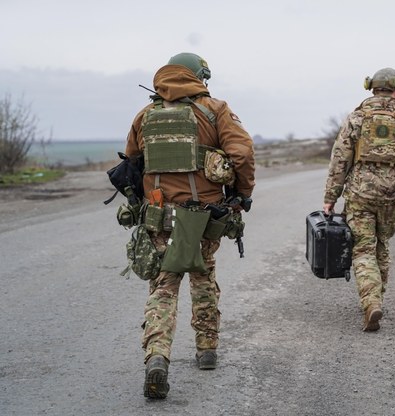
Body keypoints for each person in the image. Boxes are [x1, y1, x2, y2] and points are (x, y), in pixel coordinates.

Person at [124, 52, 255, 399]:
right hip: (204, 217)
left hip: (160, 216)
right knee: (204, 277)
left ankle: (157, 357)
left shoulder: (146, 115)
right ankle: (207, 349)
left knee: (163, 288)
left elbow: (132, 164)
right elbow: (242, 153)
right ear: (199, 77)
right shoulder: (215, 110)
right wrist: (242, 194)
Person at [323, 67, 395, 332]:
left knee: (362, 249)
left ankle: (371, 302)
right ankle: (377, 298)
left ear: (373, 88)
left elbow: (340, 160)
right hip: (391, 196)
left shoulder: (356, 118)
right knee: (381, 244)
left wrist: (330, 197)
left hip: (360, 195)